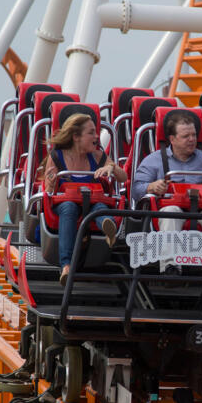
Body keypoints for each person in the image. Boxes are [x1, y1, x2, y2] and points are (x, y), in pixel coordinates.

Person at [131, 111, 202, 278]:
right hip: (171, 209)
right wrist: (152, 186)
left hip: (201, 209)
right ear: (172, 139)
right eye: (186, 136)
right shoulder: (154, 160)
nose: (192, 139)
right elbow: (135, 189)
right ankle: (170, 268)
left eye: (193, 135)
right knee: (171, 212)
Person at [43, 113, 128, 284]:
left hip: (92, 202)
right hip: (65, 202)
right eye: (91, 133)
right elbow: (48, 191)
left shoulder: (97, 156)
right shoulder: (57, 156)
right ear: (76, 137)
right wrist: (52, 181)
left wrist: (111, 167)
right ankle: (66, 265)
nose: (96, 137)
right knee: (69, 208)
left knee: (98, 209)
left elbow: (123, 177)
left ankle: (108, 227)